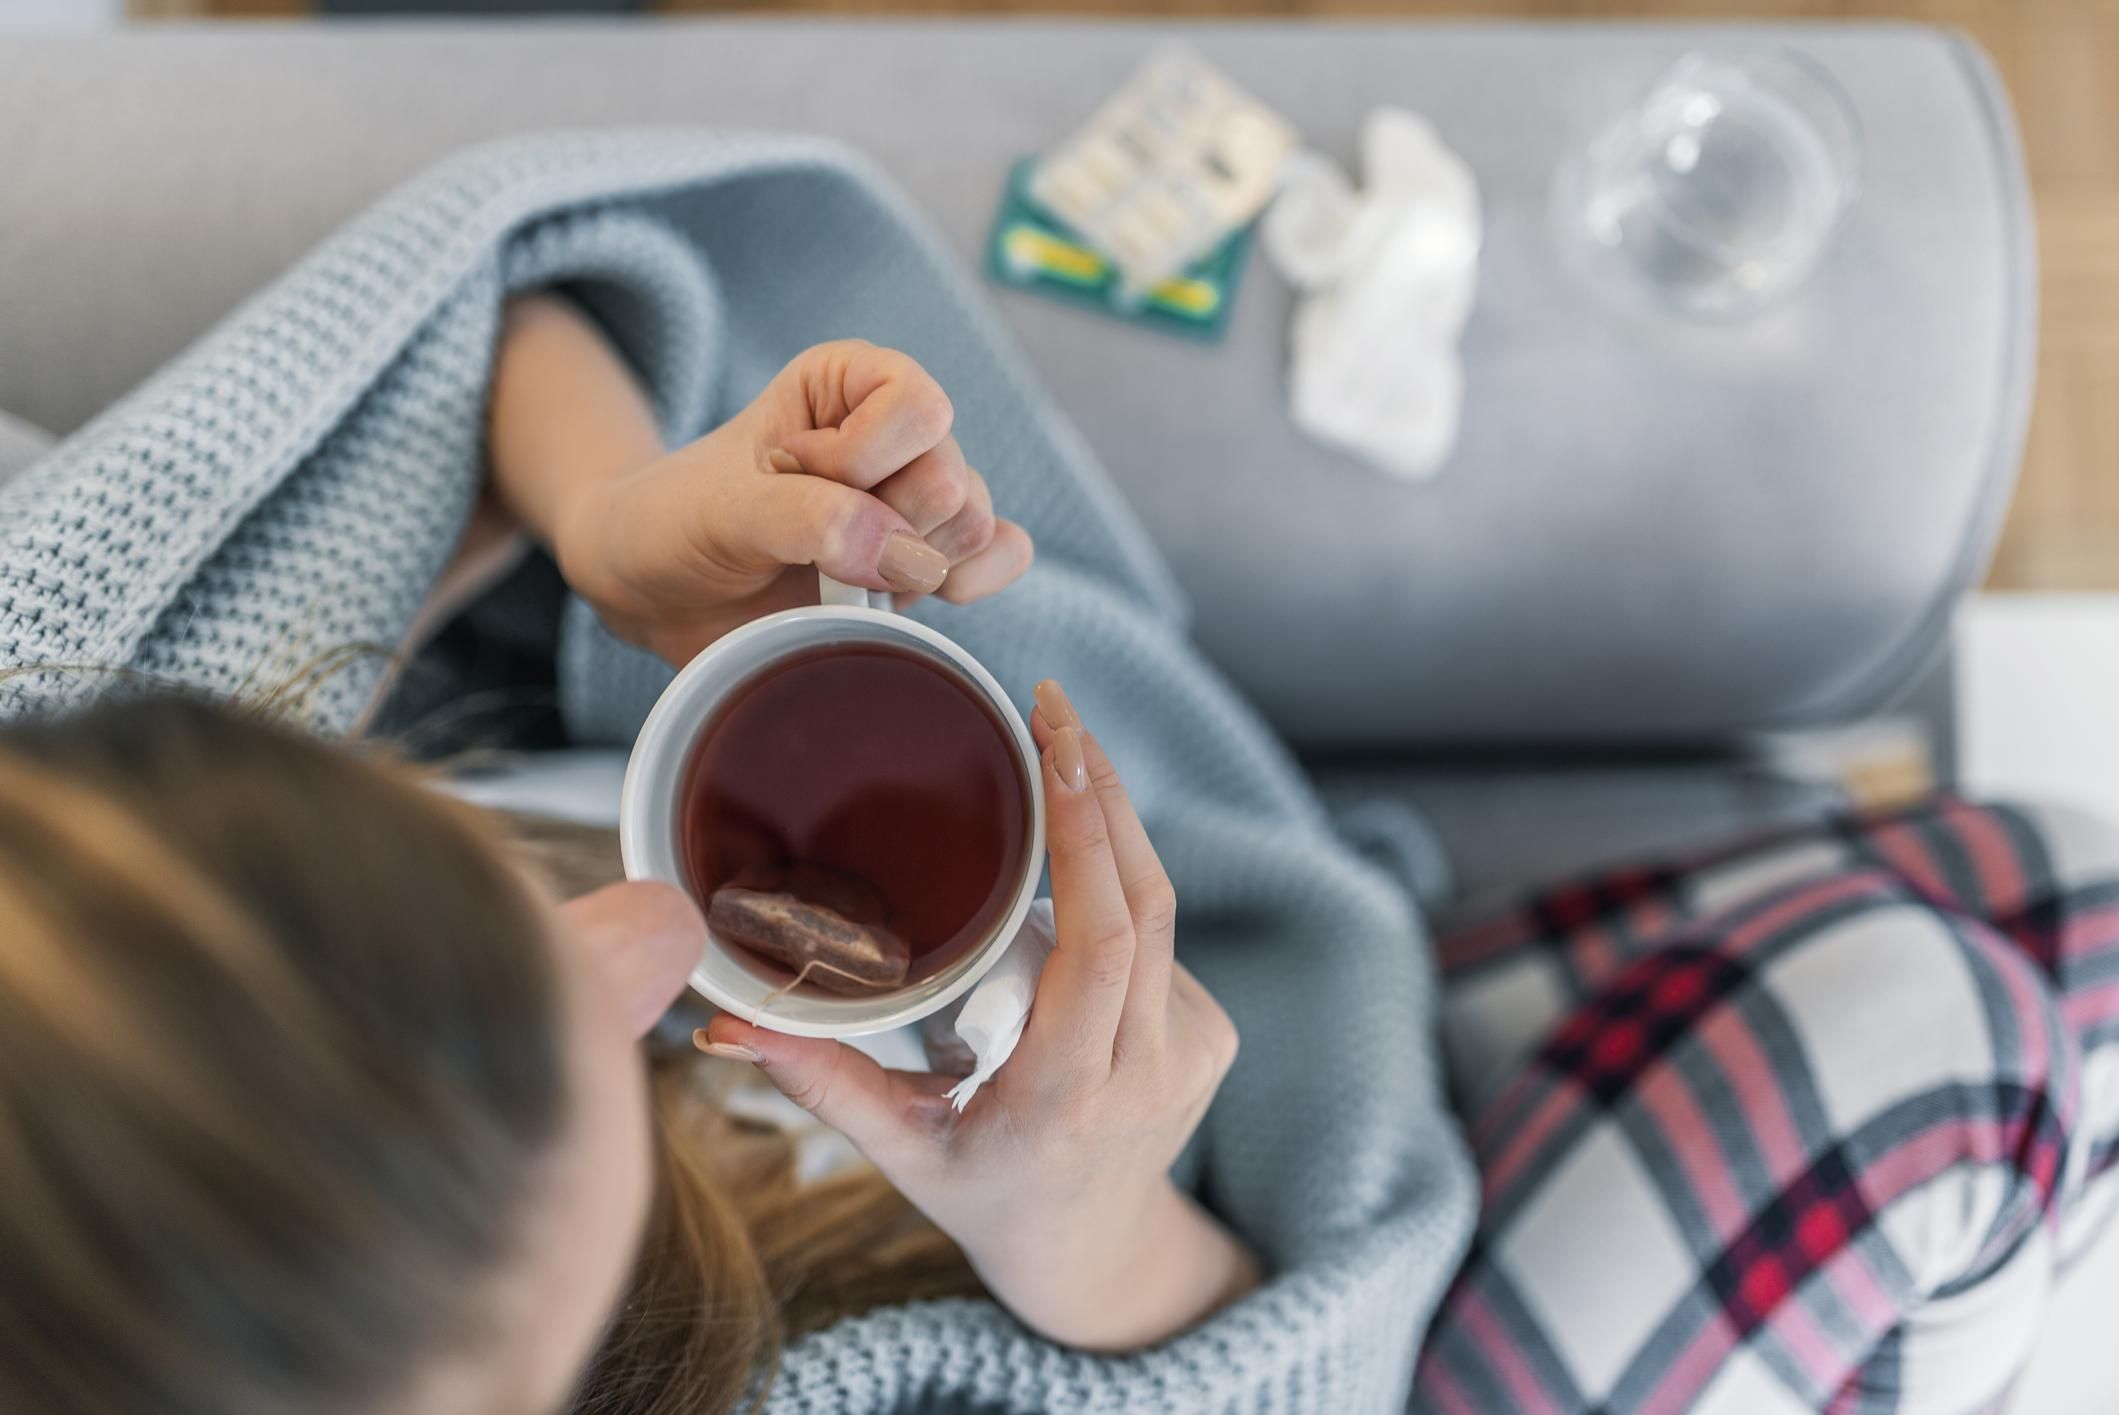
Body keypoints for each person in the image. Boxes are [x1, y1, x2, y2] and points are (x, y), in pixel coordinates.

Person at [5, 287, 2118, 1415]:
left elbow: (460, 336)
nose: (650, 931)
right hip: (1310, 1333)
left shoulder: (77, 737)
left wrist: (608, 525)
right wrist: (1091, 1245)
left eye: (495, 921)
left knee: (2067, 915)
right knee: (1968, 1063)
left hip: (1310, 1047)